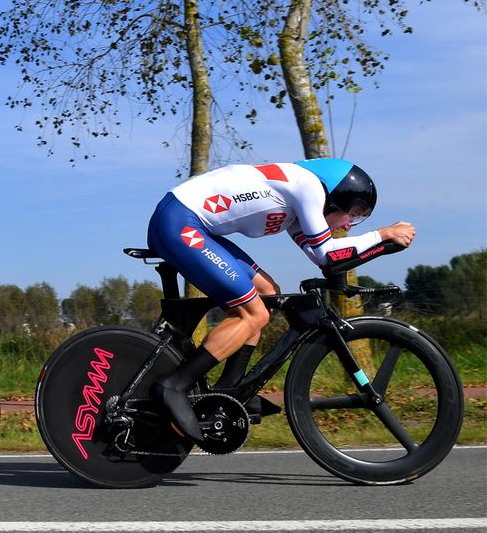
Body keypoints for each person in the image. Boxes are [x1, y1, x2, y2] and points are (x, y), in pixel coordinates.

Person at [145, 159, 415, 441]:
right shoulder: (308, 187)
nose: (349, 224)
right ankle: (174, 385)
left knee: (267, 292)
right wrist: (382, 234)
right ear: (336, 197)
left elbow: (323, 259)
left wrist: (381, 247)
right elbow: (327, 253)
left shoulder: (298, 206)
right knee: (253, 314)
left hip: (188, 222)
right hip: (179, 222)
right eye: (353, 214)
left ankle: (229, 388)